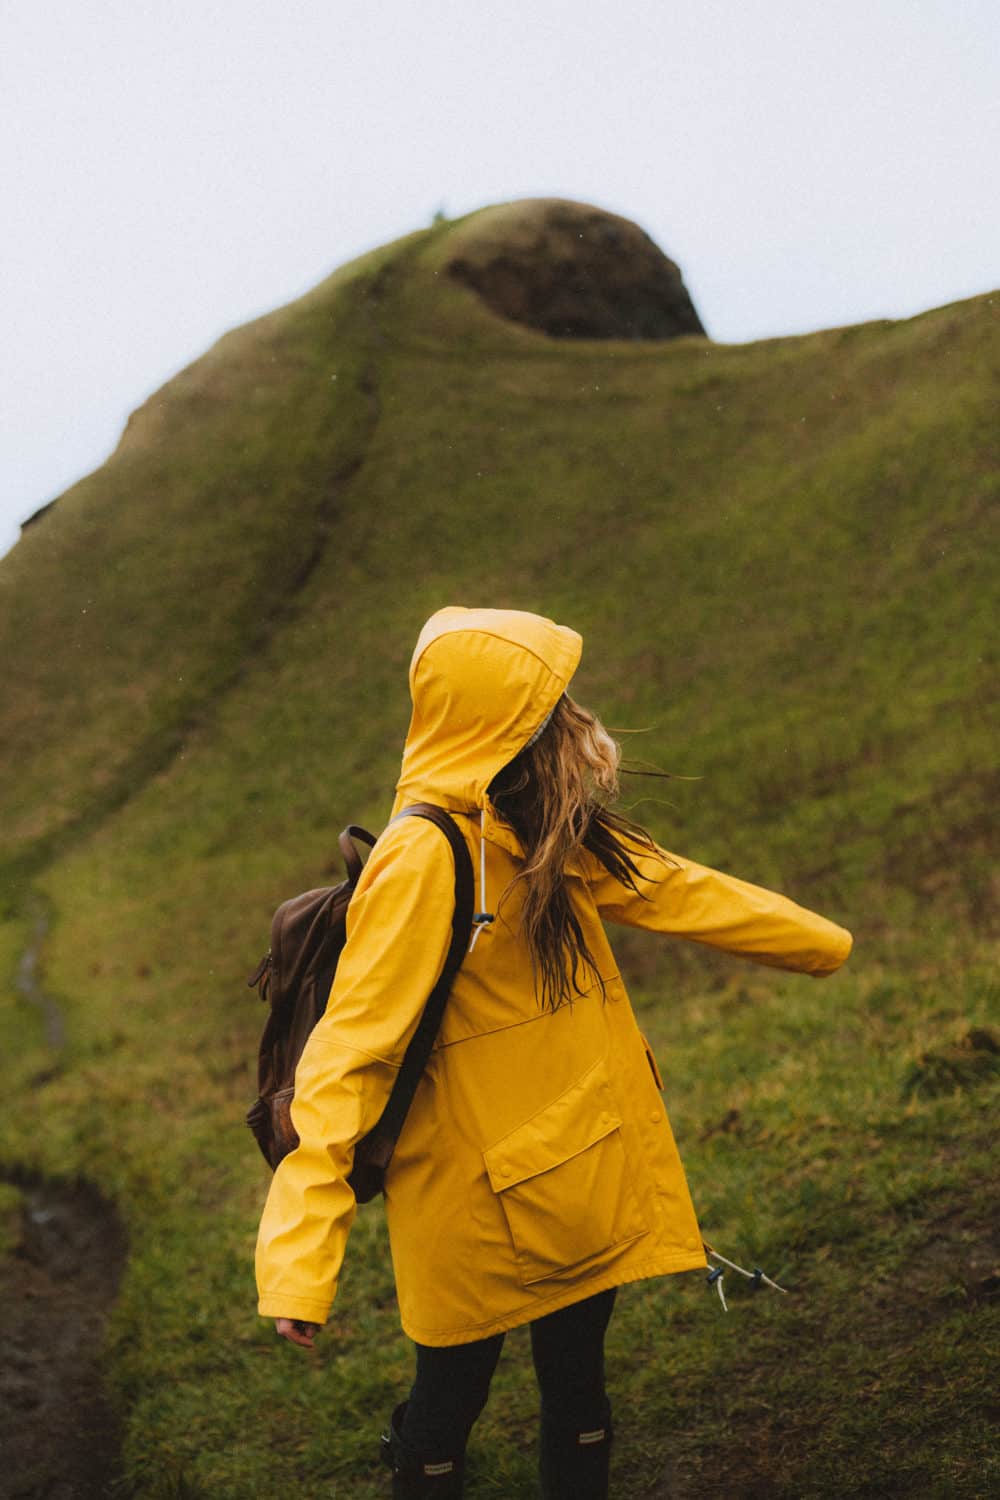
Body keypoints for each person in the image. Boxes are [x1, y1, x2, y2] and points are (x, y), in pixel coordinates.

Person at [255, 606, 853, 1499]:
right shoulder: (427, 858)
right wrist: (300, 1265)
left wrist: (823, 944)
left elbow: (676, 888)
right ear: (503, 726)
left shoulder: (538, 827)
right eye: (550, 708)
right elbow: (348, 1059)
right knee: (446, 1409)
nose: (574, 722)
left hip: (576, 1182)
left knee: (580, 1388)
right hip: (468, 1214)